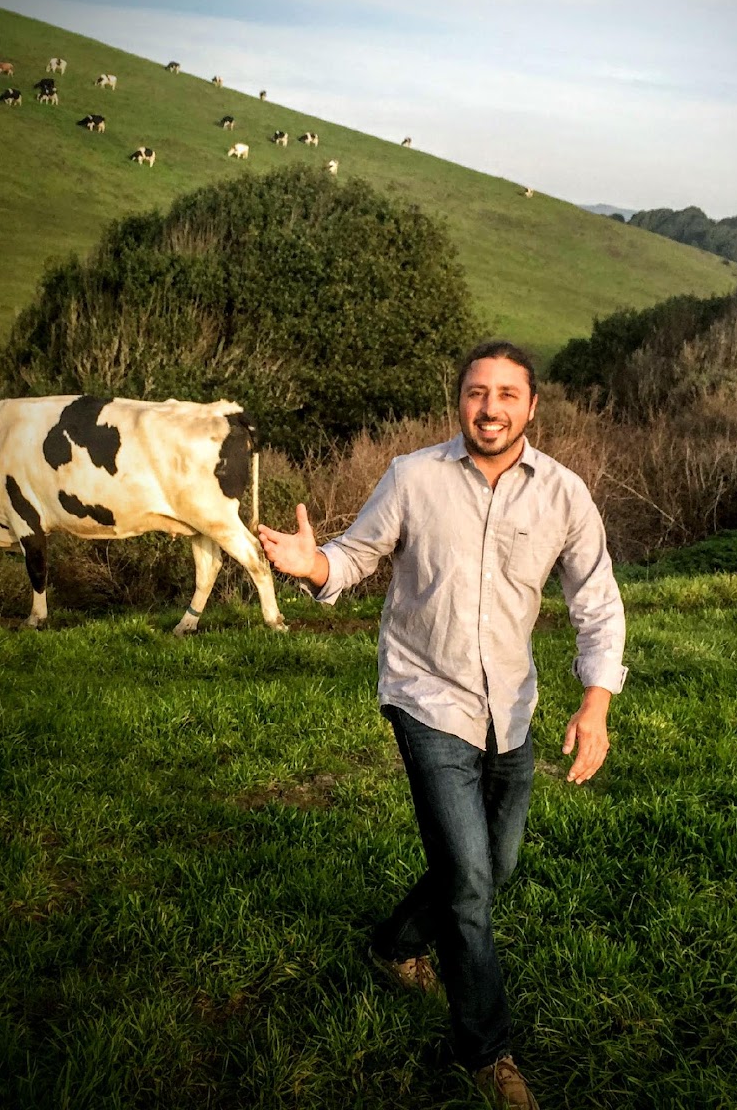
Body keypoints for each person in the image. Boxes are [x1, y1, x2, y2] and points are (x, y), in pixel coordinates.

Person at [257, 340, 627, 1110]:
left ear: (531, 408)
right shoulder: (413, 477)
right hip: (427, 700)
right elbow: (355, 557)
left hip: (512, 708)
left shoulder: (563, 495)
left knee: (496, 866)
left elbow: (596, 602)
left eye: (505, 395)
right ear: (459, 402)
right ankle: (488, 1054)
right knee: (468, 886)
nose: (488, 408)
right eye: (474, 393)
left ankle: (394, 946)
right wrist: (311, 565)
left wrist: (596, 702)